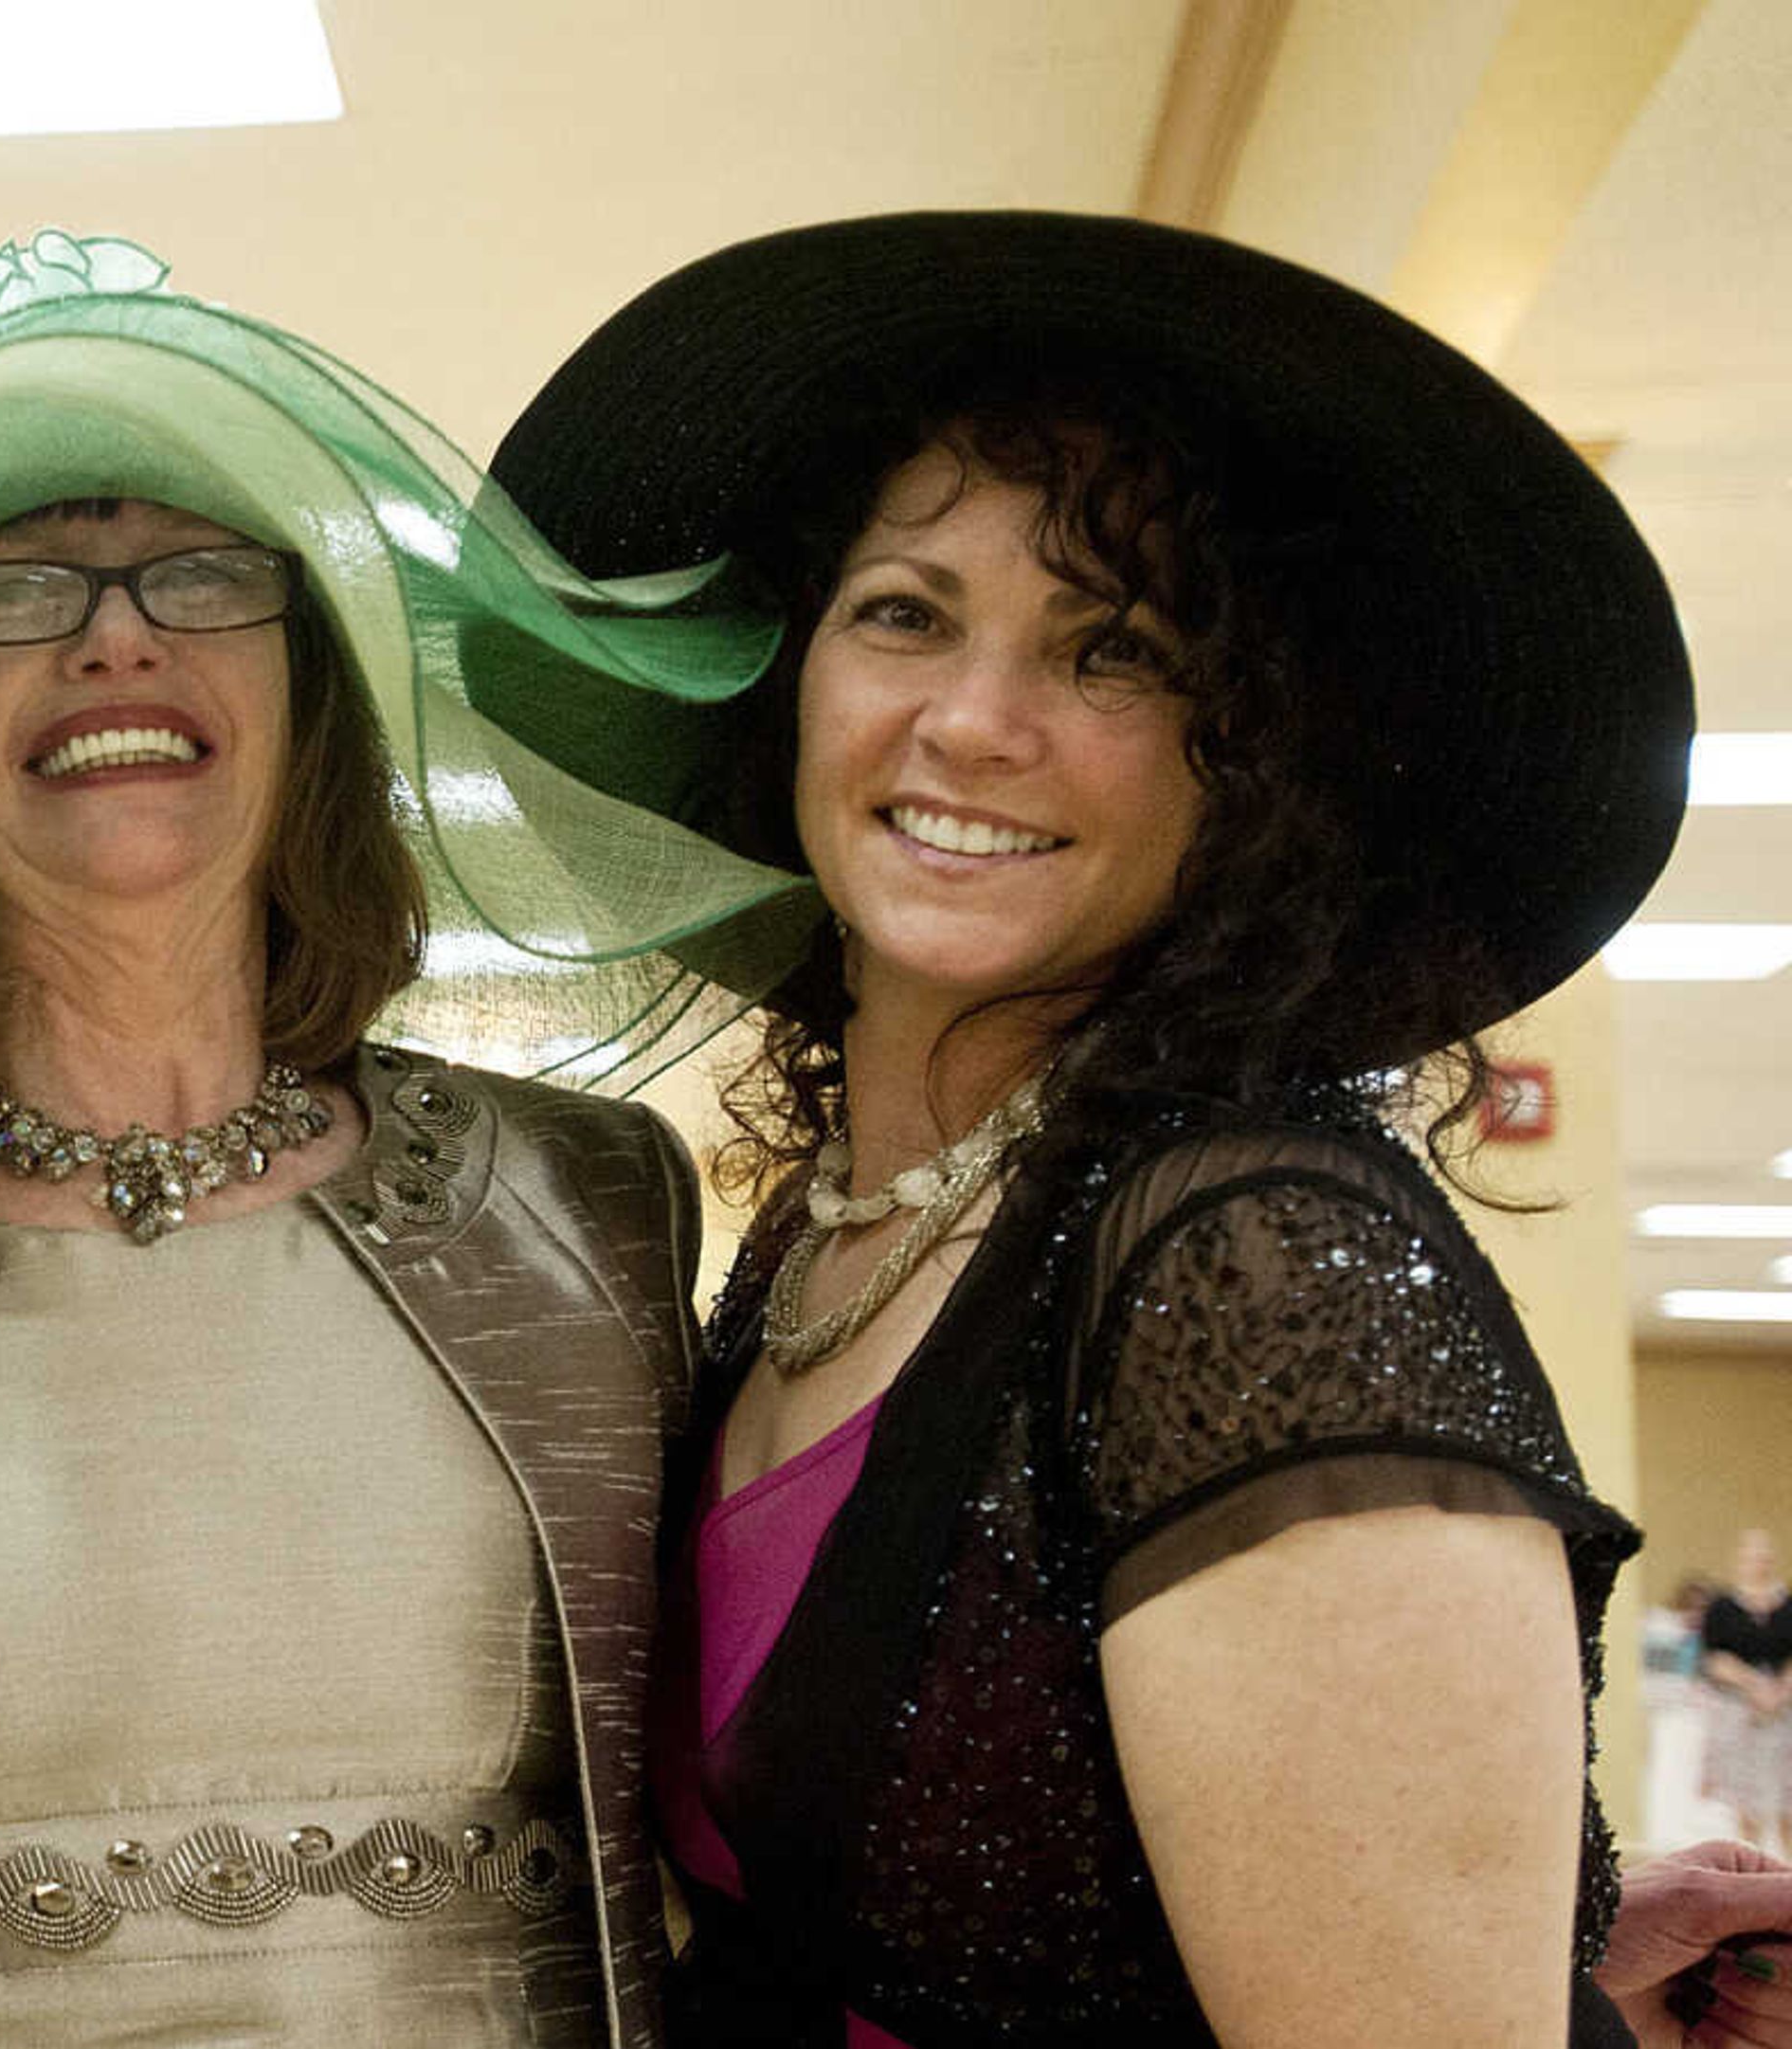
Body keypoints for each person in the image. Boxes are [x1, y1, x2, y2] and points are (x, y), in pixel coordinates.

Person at [0, 235, 812, 2045]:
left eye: (202, 577)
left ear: (313, 700)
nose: (114, 628)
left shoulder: (589, 1199)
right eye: (13, 586)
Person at [486, 209, 1691, 2045]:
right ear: (788, 676)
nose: (971, 721)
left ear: (1253, 757)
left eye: (1109, 649)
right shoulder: (832, 1242)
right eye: (904, 614)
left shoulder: (1251, 1264)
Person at [1706, 1532, 1792, 1859]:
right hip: (1739, 1707)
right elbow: (1715, 1659)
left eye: (1765, 1555)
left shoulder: (1788, 1605)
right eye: (1752, 1555)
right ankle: (1755, 1873)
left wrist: (1781, 1689)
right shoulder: (1722, 1608)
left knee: (1787, 1797)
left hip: (1785, 1707)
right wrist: (1753, 1685)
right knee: (1747, 1800)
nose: (1760, 1562)